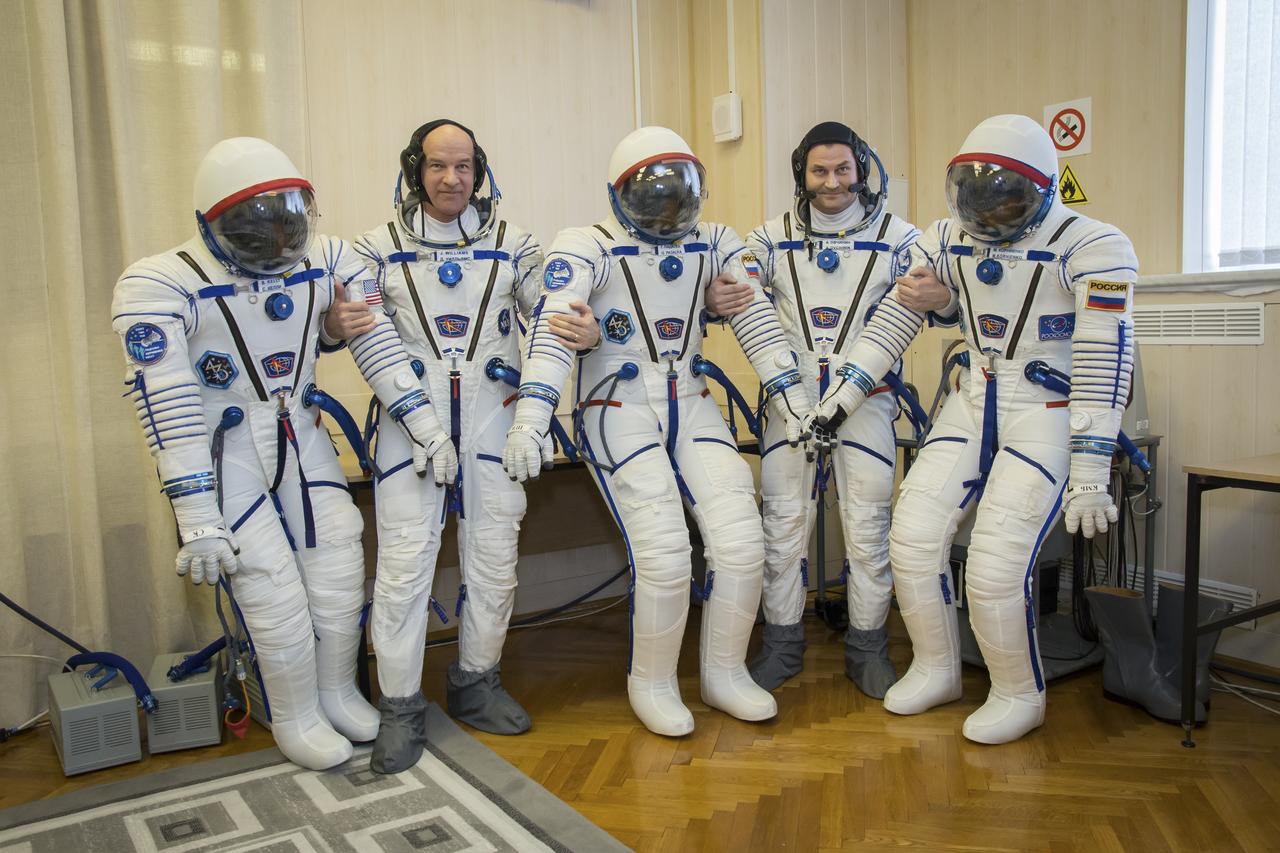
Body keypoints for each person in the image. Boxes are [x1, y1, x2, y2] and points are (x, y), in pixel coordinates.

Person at [111, 137, 456, 769]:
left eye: (285, 219)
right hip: (226, 456)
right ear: (212, 223)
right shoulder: (160, 284)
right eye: (253, 223)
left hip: (301, 438)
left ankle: (337, 693)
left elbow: (373, 343)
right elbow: (169, 405)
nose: (273, 238)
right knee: (274, 593)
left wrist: (426, 425)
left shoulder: (330, 259)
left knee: (339, 572)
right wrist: (198, 518)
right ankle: (295, 716)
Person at [810, 114, 1136, 744]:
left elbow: (1104, 354)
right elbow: (896, 317)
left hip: (1046, 410)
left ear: (1042, 189)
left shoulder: (1094, 244)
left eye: (1005, 200)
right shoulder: (945, 235)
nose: (986, 215)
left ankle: (1018, 692)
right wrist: (842, 399)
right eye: (974, 198)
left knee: (993, 563)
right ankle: (937, 668)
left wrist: (1091, 469)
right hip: (974, 396)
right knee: (912, 534)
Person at [501, 126, 811, 736]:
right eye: (653, 195)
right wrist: (532, 422)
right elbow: (555, 331)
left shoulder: (718, 240)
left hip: (689, 397)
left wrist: (794, 401)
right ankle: (653, 681)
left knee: (742, 542)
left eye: (680, 195)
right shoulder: (584, 244)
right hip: (616, 402)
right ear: (619, 194)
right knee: (666, 553)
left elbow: (756, 319)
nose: (668, 210)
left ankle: (724, 674)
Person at [349, 120, 600, 771]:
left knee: (495, 556)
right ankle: (400, 706)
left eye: (464, 166)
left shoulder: (514, 246)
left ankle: (476, 681)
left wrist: (546, 399)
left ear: (479, 170)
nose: (452, 179)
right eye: (437, 166)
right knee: (404, 568)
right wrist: (420, 423)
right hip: (412, 424)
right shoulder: (374, 251)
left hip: (496, 417)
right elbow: (362, 333)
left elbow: (553, 316)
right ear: (414, 169)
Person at [716, 121, 950, 697]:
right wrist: (791, 394)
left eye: (842, 169)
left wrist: (939, 299)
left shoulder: (901, 239)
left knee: (869, 530)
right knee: (782, 528)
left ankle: (867, 649)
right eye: (819, 171)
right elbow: (742, 305)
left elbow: (925, 307)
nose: (832, 183)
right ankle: (782, 645)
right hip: (789, 404)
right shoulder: (769, 240)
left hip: (866, 403)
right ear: (803, 174)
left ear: (861, 169)